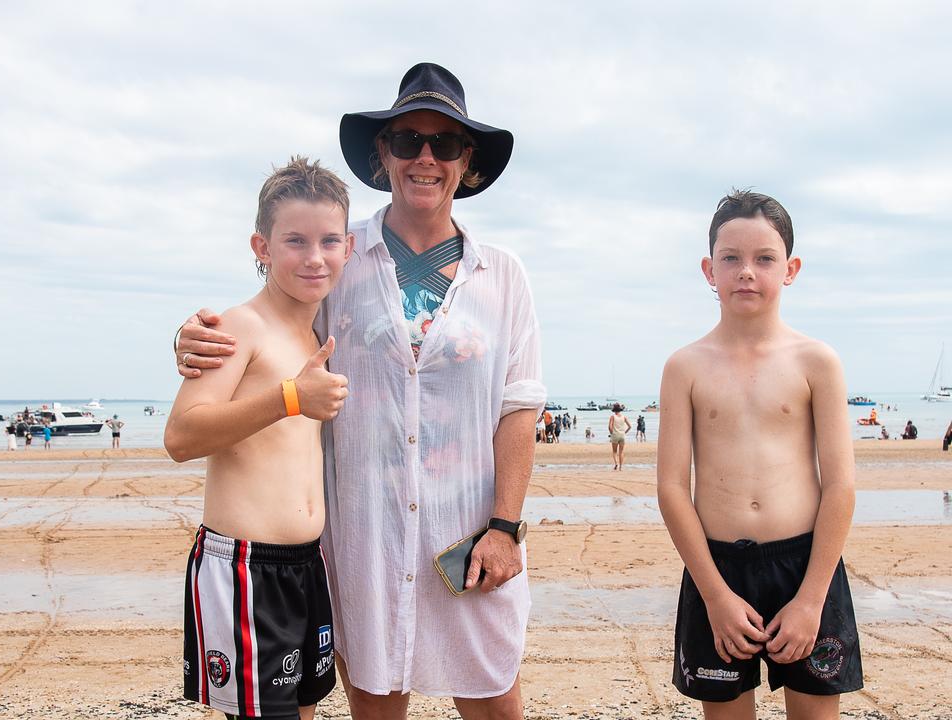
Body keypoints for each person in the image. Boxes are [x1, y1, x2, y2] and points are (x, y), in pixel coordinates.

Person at [175, 63, 543, 719]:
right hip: (360, 539)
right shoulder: (342, 258)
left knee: (493, 696)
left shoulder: (504, 276)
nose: (425, 157)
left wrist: (507, 528)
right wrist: (189, 338)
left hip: (468, 533)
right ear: (383, 153)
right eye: (407, 140)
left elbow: (519, 405)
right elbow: (270, 325)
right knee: (375, 698)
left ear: (468, 161)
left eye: (445, 143)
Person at [657, 190, 862, 719]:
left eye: (764, 259)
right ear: (709, 269)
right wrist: (715, 596)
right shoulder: (686, 366)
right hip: (718, 567)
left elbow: (840, 484)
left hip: (806, 565)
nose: (746, 271)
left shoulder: (817, 361)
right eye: (731, 258)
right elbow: (672, 488)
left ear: (790, 269)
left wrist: (812, 599)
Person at [164, 156, 353, 720]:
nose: (315, 257)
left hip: (305, 562)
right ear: (261, 247)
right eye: (295, 240)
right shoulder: (241, 324)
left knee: (305, 710)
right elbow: (181, 435)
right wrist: (290, 399)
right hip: (243, 565)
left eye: (329, 241)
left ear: (347, 247)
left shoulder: (314, 328)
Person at [608, 404, 632, 470]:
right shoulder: (624, 417)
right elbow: (630, 426)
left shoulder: (612, 417)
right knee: (621, 452)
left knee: (614, 451)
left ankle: (616, 463)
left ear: (614, 410)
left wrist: (611, 433)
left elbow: (610, 426)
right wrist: (625, 432)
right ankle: (621, 467)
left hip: (615, 435)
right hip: (622, 435)